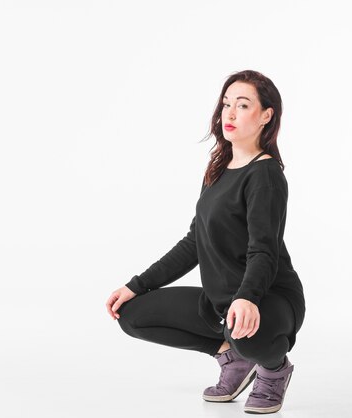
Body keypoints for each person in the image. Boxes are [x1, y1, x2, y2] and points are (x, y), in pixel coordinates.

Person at [105, 70, 305, 415]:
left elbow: (263, 250)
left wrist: (246, 297)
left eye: (243, 105)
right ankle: (234, 360)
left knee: (245, 331)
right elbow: (194, 243)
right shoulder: (219, 166)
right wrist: (137, 285)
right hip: (221, 304)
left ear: (266, 115)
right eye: (226, 103)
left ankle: (274, 370)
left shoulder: (266, 174)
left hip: (268, 300)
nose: (229, 113)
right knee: (131, 315)